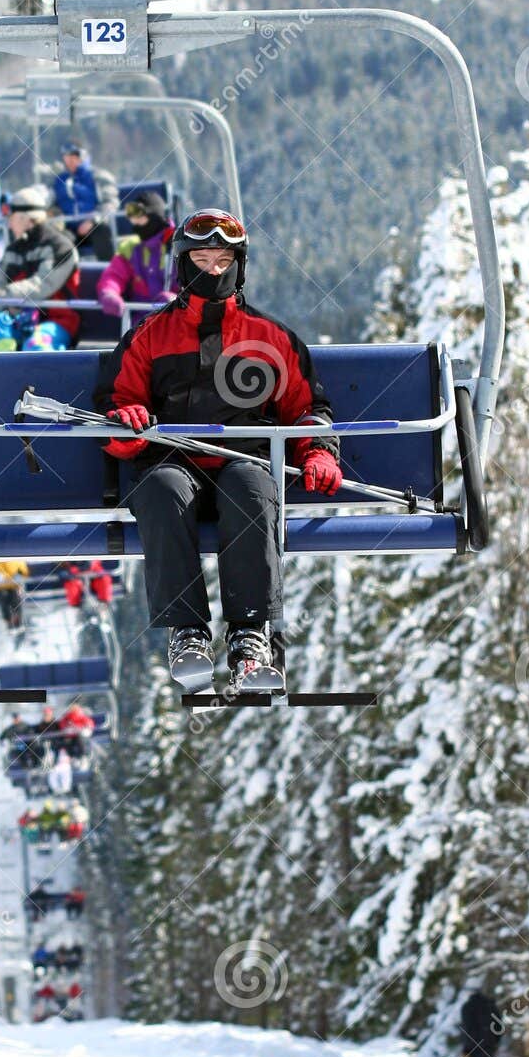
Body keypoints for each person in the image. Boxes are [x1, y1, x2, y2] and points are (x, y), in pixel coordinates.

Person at [94, 208, 342, 696]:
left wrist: (318, 451)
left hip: (242, 460)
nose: (212, 270)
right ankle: (188, 632)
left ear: (238, 265)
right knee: (162, 491)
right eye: (201, 259)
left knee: (252, 491)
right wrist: (127, 427)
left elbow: (308, 406)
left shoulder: (270, 338)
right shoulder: (150, 336)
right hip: (172, 461)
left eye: (222, 260)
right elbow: (114, 406)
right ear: (183, 267)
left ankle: (250, 635)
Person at [0, 186, 80, 351]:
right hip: (18, 317)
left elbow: (42, 285)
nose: (9, 223)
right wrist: (6, 306)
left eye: (11, 217)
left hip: (57, 320)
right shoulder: (13, 249)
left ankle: (34, 374)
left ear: (27, 219)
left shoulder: (61, 248)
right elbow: (2, 281)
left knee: (36, 345)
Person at [96, 191, 177, 323]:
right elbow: (114, 275)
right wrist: (109, 293)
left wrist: (177, 301)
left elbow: (194, 285)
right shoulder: (131, 247)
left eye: (140, 218)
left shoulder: (178, 246)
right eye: (133, 220)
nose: (136, 225)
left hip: (175, 321)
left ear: (154, 217)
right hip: (140, 322)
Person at [51, 141, 117, 260]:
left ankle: (109, 271)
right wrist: (56, 216)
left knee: (101, 232)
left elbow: (110, 202)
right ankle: (68, 276)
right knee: (60, 240)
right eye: (67, 157)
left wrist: (93, 220)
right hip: (70, 228)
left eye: (74, 156)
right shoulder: (59, 181)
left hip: (93, 226)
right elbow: (52, 202)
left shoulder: (97, 176)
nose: (70, 160)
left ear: (83, 156)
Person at [0, 559, 29, 632]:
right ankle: (10, 620)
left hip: (11, 587)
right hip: (2, 587)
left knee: (12, 599)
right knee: (7, 599)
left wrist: (19, 577)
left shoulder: (17, 562)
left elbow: (23, 571)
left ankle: (11, 621)